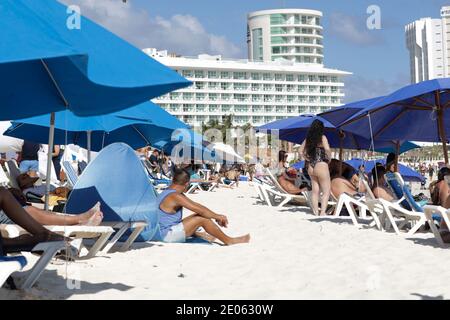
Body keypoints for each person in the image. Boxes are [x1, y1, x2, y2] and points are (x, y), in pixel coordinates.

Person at [155, 168, 250, 245]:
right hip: (166, 235)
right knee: (202, 219)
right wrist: (218, 216)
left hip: (162, 231)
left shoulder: (167, 192)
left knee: (199, 215)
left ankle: (198, 233)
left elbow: (199, 208)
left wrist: (214, 215)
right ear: (187, 184)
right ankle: (229, 240)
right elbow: (199, 209)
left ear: (173, 180)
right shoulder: (175, 196)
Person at [299, 120, 331, 216]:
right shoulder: (322, 137)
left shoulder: (308, 139)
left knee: (315, 191)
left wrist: (307, 158)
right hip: (321, 164)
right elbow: (327, 150)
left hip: (311, 166)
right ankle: (322, 212)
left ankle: (316, 212)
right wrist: (329, 159)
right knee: (326, 191)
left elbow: (300, 151)